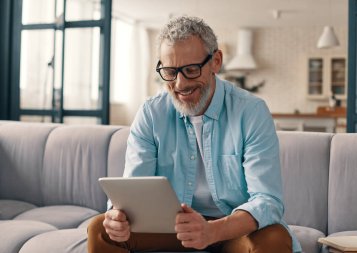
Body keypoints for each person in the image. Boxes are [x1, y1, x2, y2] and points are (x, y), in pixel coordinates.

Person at [87, 15, 301, 253]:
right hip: (172, 229)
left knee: (274, 239)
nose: (179, 84)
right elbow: (132, 191)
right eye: (169, 71)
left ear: (215, 62)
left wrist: (212, 231)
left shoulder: (251, 111)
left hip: (232, 228)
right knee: (99, 229)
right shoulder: (151, 113)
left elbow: (267, 200)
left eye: (191, 69)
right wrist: (117, 216)